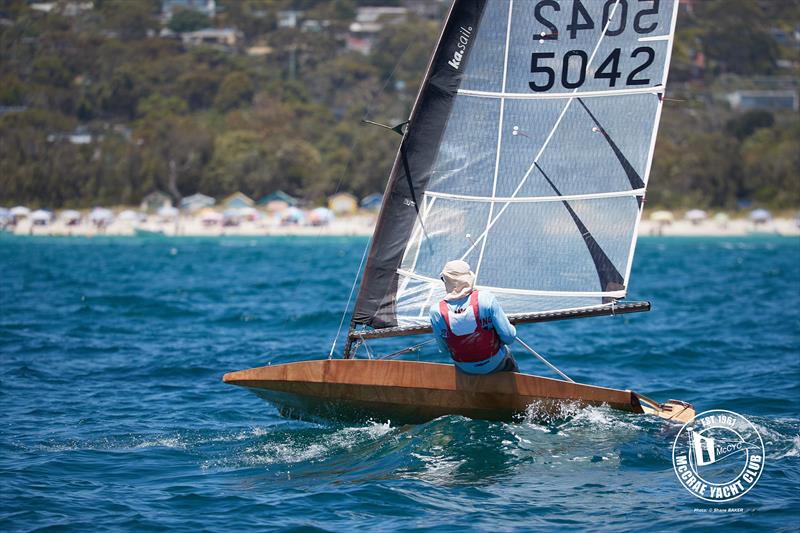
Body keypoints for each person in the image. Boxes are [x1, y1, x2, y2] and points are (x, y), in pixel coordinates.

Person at [429, 260, 519, 375]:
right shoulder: (486, 299)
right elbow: (509, 338)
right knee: (506, 355)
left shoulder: (436, 311)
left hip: (465, 369)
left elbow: (444, 349)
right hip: (496, 364)